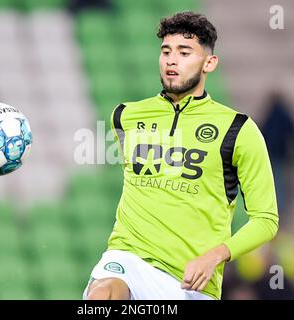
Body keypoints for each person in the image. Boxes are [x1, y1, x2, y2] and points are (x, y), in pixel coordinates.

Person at [83, 11, 279, 300]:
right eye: (166, 51)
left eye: (185, 52)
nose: (171, 60)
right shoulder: (125, 116)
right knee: (105, 294)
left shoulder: (239, 130)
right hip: (127, 258)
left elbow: (266, 220)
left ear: (209, 63)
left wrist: (216, 256)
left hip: (190, 282)